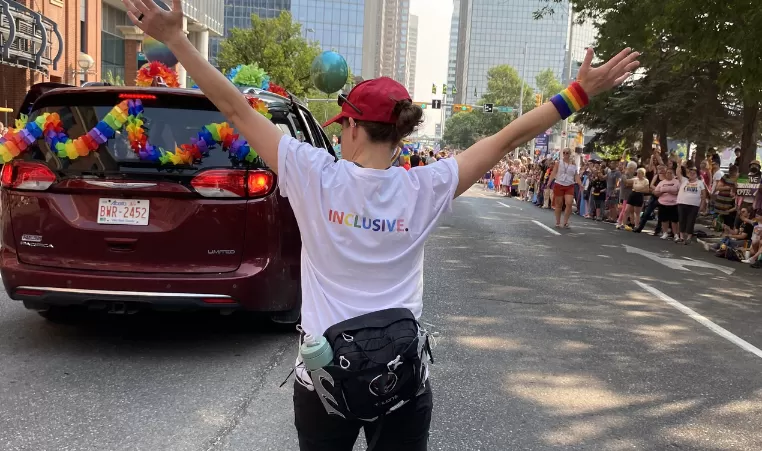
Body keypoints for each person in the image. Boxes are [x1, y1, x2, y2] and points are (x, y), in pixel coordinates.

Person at [123, 4, 638, 446]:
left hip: (324, 378)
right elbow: (505, 140)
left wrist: (175, 39)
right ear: (397, 135)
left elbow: (234, 107)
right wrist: (576, 93)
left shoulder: (312, 173)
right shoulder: (425, 185)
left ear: (350, 126)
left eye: (341, 127)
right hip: (401, 378)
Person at [674, 157, 708, 244]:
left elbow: (704, 195)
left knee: (691, 220)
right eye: (690, 173)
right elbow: (678, 172)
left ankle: (689, 237)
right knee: (681, 220)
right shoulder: (684, 180)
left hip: (694, 204)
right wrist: (679, 164)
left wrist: (702, 205)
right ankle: (681, 236)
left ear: (697, 174)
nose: (692, 174)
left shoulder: (700, 183)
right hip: (682, 203)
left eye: (694, 173)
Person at [548, 148, 582, 228]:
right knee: (559, 204)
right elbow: (553, 173)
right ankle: (558, 221)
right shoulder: (558, 163)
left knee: (569, 203)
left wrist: (580, 184)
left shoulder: (573, 164)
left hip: (569, 185)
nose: (565, 154)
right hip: (559, 184)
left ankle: (566, 222)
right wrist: (549, 182)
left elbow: (576, 175)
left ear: (570, 154)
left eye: (567, 153)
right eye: (564, 153)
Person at [653, 167, 680, 241]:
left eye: (670, 173)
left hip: (674, 203)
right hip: (663, 203)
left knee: (674, 220)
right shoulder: (662, 182)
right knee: (664, 219)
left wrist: (672, 192)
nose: (669, 174)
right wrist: (661, 192)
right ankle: (665, 233)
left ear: (673, 174)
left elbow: (680, 192)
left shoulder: (677, 182)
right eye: (667, 173)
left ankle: (676, 234)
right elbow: (655, 192)